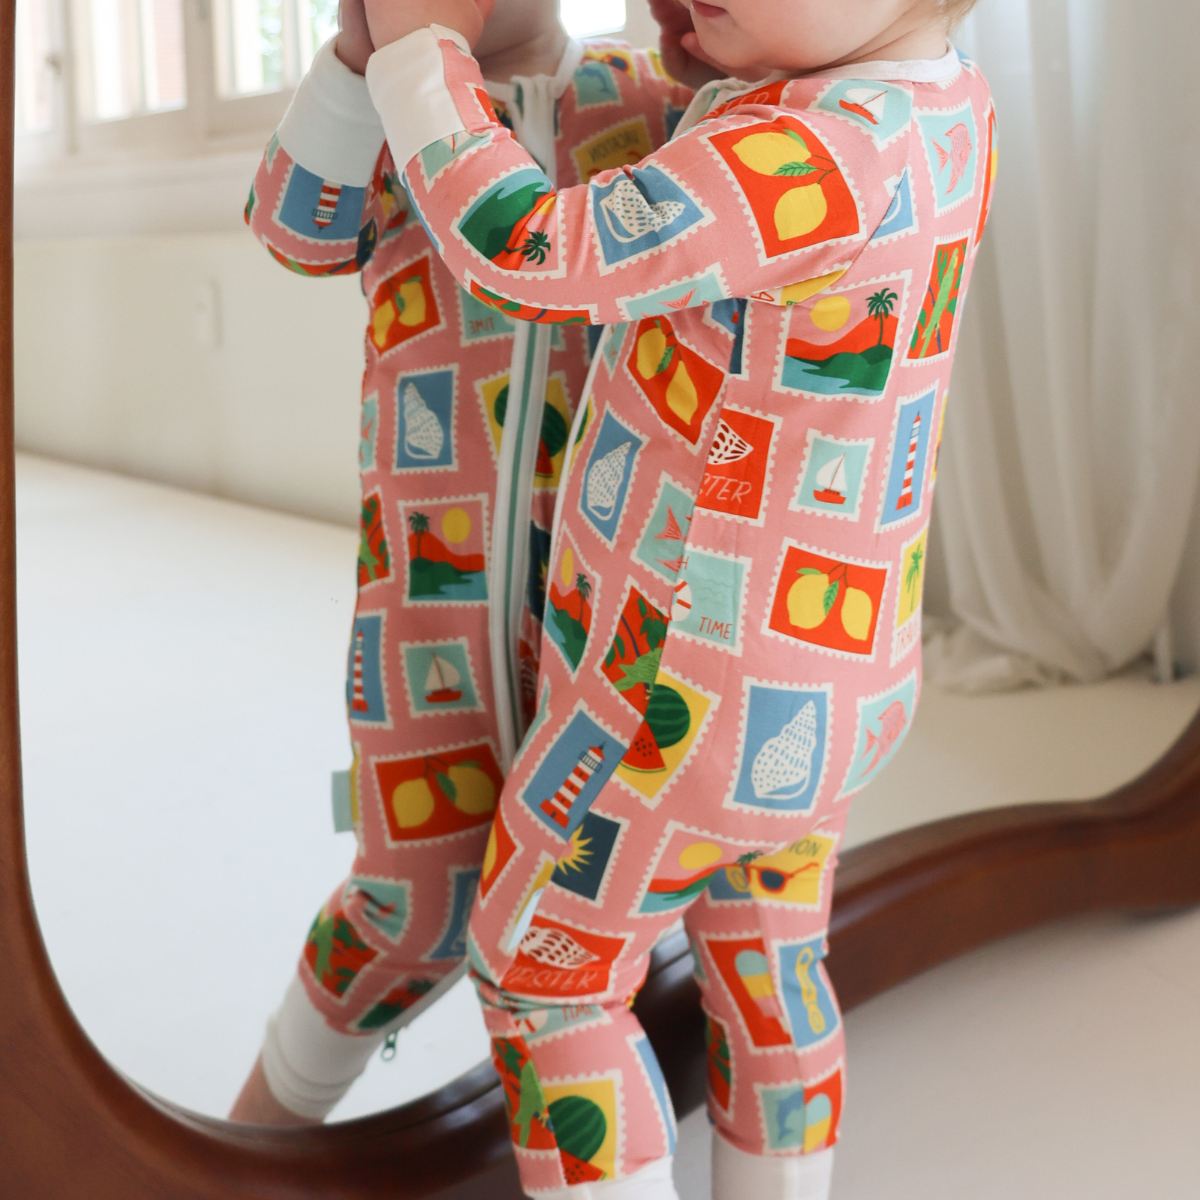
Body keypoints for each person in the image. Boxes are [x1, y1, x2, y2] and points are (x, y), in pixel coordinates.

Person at [353, 0, 994, 1196]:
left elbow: (530, 251)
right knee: (768, 961)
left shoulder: (802, 151)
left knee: (544, 973)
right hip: (837, 678)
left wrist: (416, 58)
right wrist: (728, 76)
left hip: (680, 700)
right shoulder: (942, 107)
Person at [230, 0, 694, 1126]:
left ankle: (600, 1048)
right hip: (427, 610)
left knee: (600, 870)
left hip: (616, 609)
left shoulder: (652, 101)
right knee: (410, 899)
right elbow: (292, 229)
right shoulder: (392, 117)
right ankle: (261, 1128)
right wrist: (360, 63)